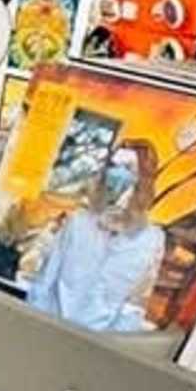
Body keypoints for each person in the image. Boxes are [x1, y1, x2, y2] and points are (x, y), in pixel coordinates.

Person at [18, 138, 171, 336]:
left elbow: (134, 305)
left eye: (129, 168)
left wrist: (108, 352)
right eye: (114, 166)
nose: (119, 175)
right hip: (51, 331)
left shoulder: (151, 240)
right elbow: (45, 281)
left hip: (96, 346)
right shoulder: (79, 223)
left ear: (144, 180)